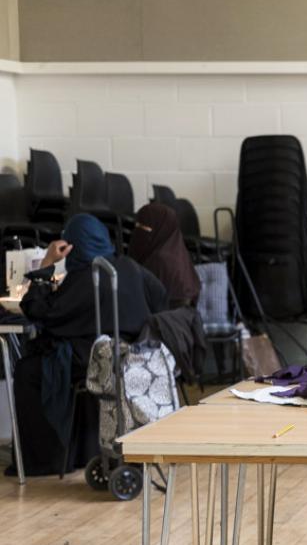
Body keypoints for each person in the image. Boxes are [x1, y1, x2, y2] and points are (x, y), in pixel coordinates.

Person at [13, 214, 167, 475]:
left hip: (94, 360)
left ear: (71, 244)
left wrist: (48, 263)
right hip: (132, 356)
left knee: (28, 370)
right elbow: (160, 295)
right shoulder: (129, 266)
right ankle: (83, 450)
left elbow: (37, 310)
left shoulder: (87, 275)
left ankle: (47, 459)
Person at [128, 202, 201, 308]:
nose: (137, 231)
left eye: (144, 227)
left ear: (161, 230)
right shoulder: (180, 256)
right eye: (137, 226)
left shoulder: (158, 262)